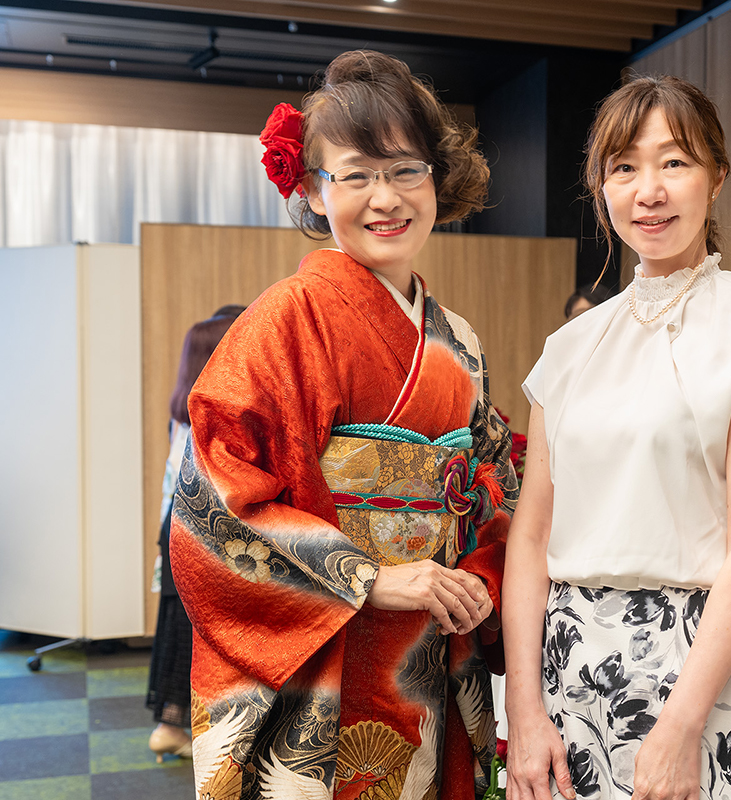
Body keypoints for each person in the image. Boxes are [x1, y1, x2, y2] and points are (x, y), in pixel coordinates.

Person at [171, 50, 517, 800]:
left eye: (405, 170)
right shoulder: (284, 322)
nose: (384, 198)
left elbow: (494, 482)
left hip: (431, 657)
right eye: (356, 175)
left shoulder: (458, 340)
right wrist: (368, 578)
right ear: (312, 188)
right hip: (324, 667)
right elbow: (211, 505)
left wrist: (481, 577)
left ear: (436, 177)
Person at [503, 76, 731, 800]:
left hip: (701, 664)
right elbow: (531, 535)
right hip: (571, 662)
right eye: (624, 167)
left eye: (675, 162)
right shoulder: (568, 347)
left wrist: (680, 725)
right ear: (601, 188)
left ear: (717, 177)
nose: (650, 190)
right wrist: (523, 708)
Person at [147, 303, 245, 763]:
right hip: (205, 524)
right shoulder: (220, 413)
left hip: (176, 522)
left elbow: (170, 482)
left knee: (177, 623)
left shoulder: (181, 412)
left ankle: (169, 725)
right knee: (201, 628)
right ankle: (188, 729)